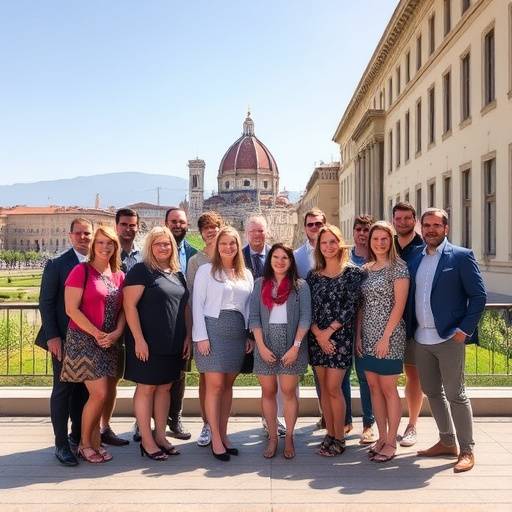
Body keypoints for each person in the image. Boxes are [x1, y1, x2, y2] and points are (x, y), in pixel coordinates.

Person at [409, 208, 486, 473]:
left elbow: (479, 296)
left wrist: (465, 330)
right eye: (426, 225)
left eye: (436, 225)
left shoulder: (461, 257)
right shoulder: (416, 258)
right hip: (422, 339)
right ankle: (446, 441)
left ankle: (467, 449)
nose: (430, 229)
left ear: (446, 228)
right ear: (421, 227)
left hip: (449, 338)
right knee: (432, 392)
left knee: (456, 394)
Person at [123, 226, 191, 461]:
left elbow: (184, 308)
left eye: (167, 243)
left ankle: (161, 436)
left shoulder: (177, 273)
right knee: (147, 388)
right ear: (150, 247)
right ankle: (147, 440)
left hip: (172, 342)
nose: (164, 247)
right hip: (147, 343)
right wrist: (139, 340)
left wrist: (187, 336)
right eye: (158, 244)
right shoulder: (141, 271)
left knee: (165, 388)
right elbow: (129, 306)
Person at [60, 226, 126, 463]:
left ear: (115, 247)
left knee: (105, 393)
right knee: (99, 393)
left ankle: (95, 442)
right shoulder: (81, 271)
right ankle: (84, 444)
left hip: (109, 342)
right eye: (100, 243)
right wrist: (96, 333)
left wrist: (117, 332)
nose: (105, 247)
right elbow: (71, 309)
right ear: (93, 246)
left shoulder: (119, 274)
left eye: (110, 243)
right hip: (85, 340)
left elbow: (123, 310)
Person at [192, 226, 254, 461]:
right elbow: (197, 305)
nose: (228, 247)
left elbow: (247, 307)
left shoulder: (245, 274)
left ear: (238, 247)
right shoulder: (206, 270)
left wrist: (248, 335)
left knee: (228, 386)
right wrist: (201, 337)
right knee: (214, 385)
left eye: (233, 243)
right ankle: (215, 438)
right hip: (212, 330)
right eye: (223, 243)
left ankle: (225, 434)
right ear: (217, 247)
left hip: (237, 332)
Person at [35, 217, 92, 466]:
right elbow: (46, 303)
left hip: (89, 339)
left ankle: (77, 437)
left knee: (82, 390)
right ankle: (61, 445)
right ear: (70, 236)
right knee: (62, 390)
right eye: (78, 233)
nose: (83, 237)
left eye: (87, 234)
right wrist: (52, 337)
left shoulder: (98, 264)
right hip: (64, 339)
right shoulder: (57, 265)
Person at [307, 225, 365, 457]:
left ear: (340, 243)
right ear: (318, 247)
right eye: (324, 243)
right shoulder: (313, 276)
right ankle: (329, 434)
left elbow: (350, 307)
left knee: (334, 388)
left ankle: (339, 437)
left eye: (332, 242)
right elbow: (307, 308)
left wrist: (327, 333)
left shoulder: (353, 273)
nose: (328, 246)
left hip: (338, 339)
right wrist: (318, 334)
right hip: (316, 338)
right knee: (324, 389)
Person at [250, 243, 311, 459]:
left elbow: (305, 318)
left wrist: (295, 347)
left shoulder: (300, 286)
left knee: (288, 393)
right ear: (270, 260)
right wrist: (261, 346)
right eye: (275, 257)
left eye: (285, 257)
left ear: (291, 261)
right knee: (268, 392)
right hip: (265, 344)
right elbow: (254, 318)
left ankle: (290, 437)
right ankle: (273, 437)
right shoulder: (260, 284)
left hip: (292, 345)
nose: (280, 261)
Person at [356, 221, 410, 463]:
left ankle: (391, 441)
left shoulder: (399, 268)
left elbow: (399, 305)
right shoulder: (366, 269)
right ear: (370, 242)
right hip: (367, 335)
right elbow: (362, 305)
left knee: (389, 389)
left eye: (384, 239)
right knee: (374, 388)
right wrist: (358, 335)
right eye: (375, 239)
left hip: (389, 336)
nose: (379, 243)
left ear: (391, 241)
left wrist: (385, 337)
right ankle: (381, 437)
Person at [97, 208, 142, 448]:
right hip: (107, 328)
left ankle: (137, 424)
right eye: (124, 225)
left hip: (134, 327)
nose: (129, 229)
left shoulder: (142, 256)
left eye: (133, 225)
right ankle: (99, 428)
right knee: (105, 380)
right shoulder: (107, 255)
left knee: (137, 379)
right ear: (117, 226)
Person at [243, 215, 287, 438]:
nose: (257, 235)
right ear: (246, 233)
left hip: (278, 327)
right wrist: (248, 334)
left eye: (261, 231)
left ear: (267, 232)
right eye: (253, 231)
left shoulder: (278, 256)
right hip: (250, 328)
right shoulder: (238, 257)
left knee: (277, 378)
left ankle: (272, 420)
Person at [186, 210, 223, 447]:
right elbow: (191, 299)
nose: (211, 231)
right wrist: (194, 332)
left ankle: (220, 424)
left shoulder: (231, 254)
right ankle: (207, 424)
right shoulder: (195, 261)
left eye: (214, 226)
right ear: (201, 233)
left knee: (224, 379)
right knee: (204, 377)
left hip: (227, 328)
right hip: (204, 327)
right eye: (206, 228)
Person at [392, 202, 425, 448]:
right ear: (393, 220)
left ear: (415, 220)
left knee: (413, 375)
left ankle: (412, 425)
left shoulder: (425, 249)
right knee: (385, 378)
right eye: (398, 218)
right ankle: (387, 426)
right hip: (385, 325)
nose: (402, 222)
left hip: (414, 323)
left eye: (407, 218)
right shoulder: (385, 245)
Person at [165, 206, 198, 440]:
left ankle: (175, 418)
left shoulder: (194, 254)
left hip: (185, 320)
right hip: (159, 319)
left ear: (188, 225)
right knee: (152, 373)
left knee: (180, 372)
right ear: (166, 224)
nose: (178, 225)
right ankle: (144, 422)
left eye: (182, 222)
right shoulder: (156, 250)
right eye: (174, 221)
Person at [343, 214, 376, 445]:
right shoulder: (346, 258)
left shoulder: (378, 258)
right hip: (344, 324)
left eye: (366, 230)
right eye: (359, 230)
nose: (362, 234)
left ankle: (368, 423)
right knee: (342, 375)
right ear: (353, 232)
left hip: (369, 326)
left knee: (365, 377)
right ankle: (345, 421)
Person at [294, 208, 326, 279]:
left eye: (318, 224)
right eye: (310, 224)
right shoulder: (296, 256)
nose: (314, 227)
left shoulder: (335, 252)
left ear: (325, 226)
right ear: (305, 228)